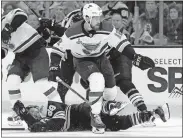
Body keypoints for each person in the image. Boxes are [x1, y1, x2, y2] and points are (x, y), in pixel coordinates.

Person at [50, 3, 121, 134]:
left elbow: (103, 36)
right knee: (65, 83)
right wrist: (54, 65)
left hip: (91, 54)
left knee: (99, 84)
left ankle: (98, 109)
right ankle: (58, 111)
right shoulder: (72, 16)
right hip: (71, 55)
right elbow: (64, 35)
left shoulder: (95, 17)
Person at [1, 8, 60, 126]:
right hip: (21, 56)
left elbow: (22, 15)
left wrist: (9, 28)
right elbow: (4, 52)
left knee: (41, 84)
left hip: (36, 49)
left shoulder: (7, 18)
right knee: (12, 81)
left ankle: (59, 109)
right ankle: (18, 113)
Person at [12, 100, 170, 132]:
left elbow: (59, 122)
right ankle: (153, 113)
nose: (33, 113)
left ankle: (109, 106)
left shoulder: (47, 107)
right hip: (88, 124)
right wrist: (28, 119)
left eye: (31, 110)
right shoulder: (42, 119)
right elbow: (37, 126)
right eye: (30, 113)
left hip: (78, 112)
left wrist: (29, 118)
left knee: (92, 110)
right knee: (115, 125)